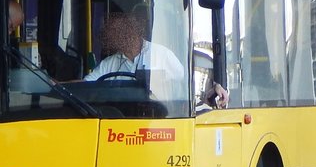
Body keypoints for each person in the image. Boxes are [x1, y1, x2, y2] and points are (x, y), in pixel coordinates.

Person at [84, 6, 228, 107]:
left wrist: (214, 87)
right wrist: (62, 87)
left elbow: (187, 85)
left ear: (131, 29)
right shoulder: (109, 63)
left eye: (117, 31)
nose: (113, 36)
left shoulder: (162, 55)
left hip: (158, 124)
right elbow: (85, 86)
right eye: (111, 33)